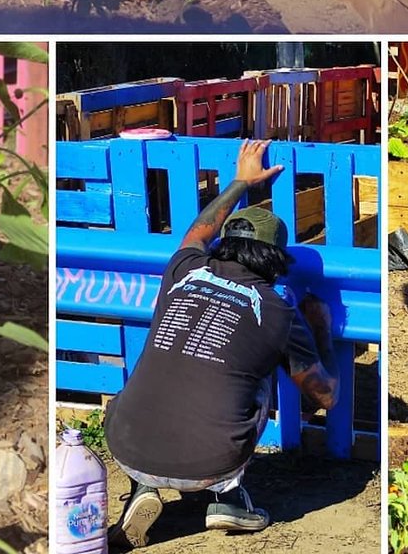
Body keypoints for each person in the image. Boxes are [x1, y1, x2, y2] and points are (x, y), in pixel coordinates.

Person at [104, 140, 339, 546]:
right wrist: (320, 328)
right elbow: (326, 396)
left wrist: (240, 182)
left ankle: (143, 488)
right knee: (258, 378)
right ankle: (229, 499)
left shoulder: (183, 269)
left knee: (157, 377)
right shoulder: (279, 312)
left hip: (124, 443)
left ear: (225, 245)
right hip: (208, 461)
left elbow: (199, 229)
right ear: (276, 261)